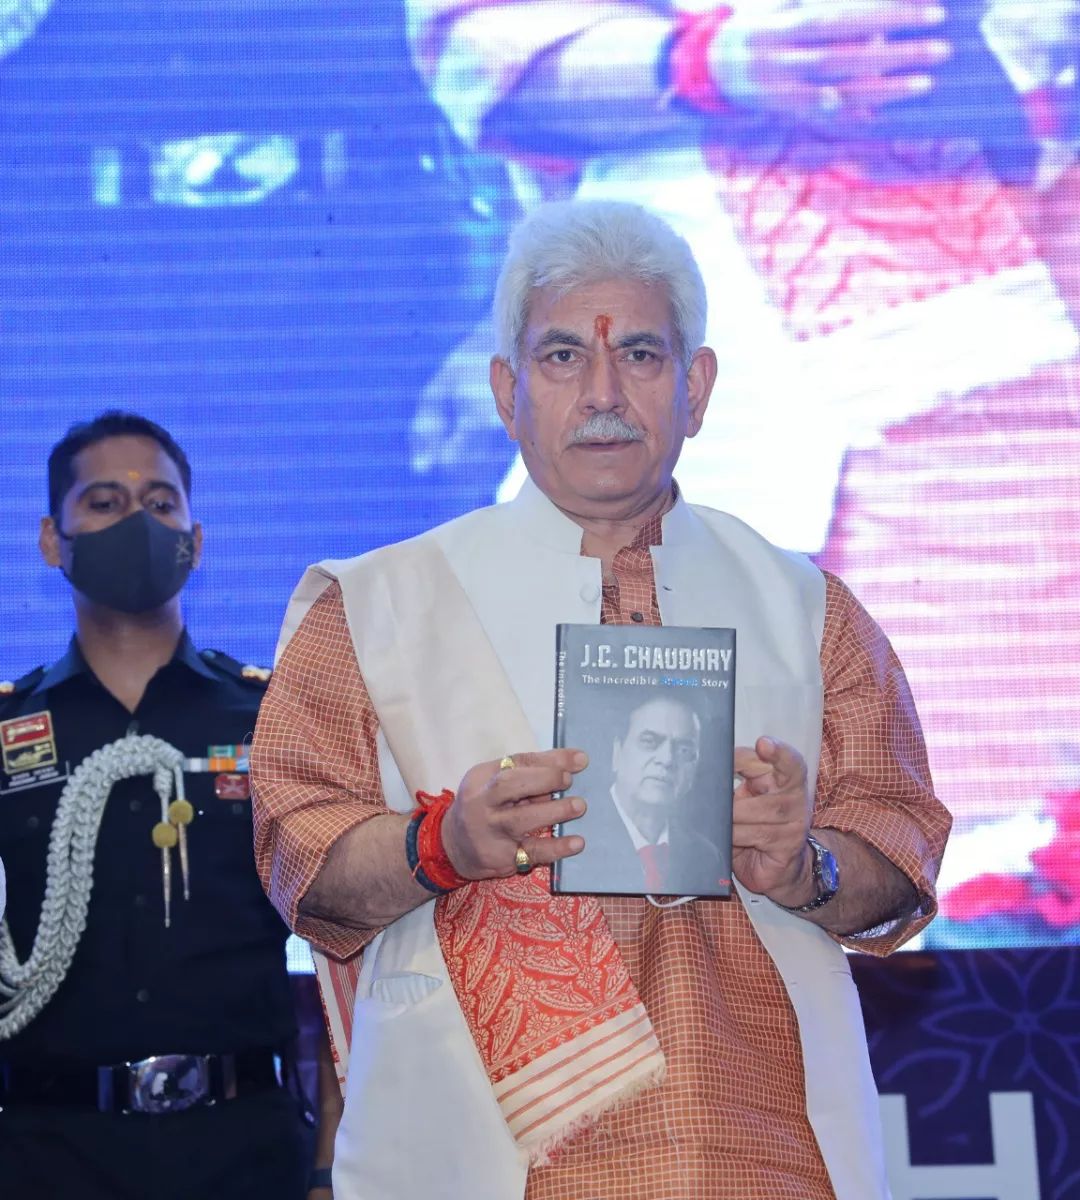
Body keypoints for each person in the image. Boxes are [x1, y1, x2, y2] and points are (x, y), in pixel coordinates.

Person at [250, 199, 951, 1199]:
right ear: (505, 389)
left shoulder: (807, 607)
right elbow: (296, 862)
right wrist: (442, 845)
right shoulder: (375, 607)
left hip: (760, 1148)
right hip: (484, 1145)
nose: (605, 394)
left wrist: (809, 866)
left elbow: (904, 846)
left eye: (645, 358)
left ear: (699, 388)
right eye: (564, 358)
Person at [405, 0, 1080, 880]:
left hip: (999, 386)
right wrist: (717, 63)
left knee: (992, 848)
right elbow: (488, 49)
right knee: (641, 858)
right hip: (689, 364)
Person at [0, 412, 335, 1200]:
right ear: (54, 539)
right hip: (47, 1156)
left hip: (244, 1150)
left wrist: (327, 1164)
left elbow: (340, 953)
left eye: (160, 503)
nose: (137, 523)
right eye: (105, 503)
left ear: (195, 537)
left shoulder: (268, 717)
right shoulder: (12, 731)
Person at [569, 692, 725, 895]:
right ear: (617, 752)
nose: (667, 759)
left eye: (684, 750)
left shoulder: (707, 857)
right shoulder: (574, 835)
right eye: (650, 741)